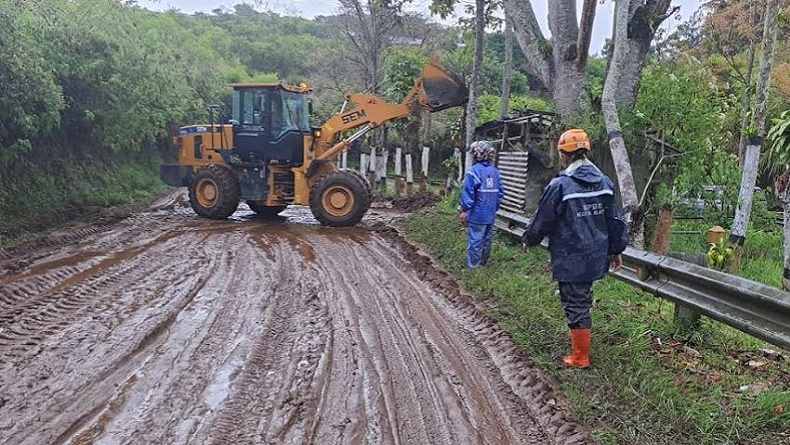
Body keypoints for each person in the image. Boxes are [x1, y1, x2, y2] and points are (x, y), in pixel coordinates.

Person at [521, 129, 628, 368]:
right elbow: (616, 220)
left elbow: (543, 218)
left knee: (576, 303)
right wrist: (616, 249)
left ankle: (580, 357)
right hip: (596, 254)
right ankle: (581, 347)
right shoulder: (605, 183)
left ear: (564, 155)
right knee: (581, 298)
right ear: (586, 152)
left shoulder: (561, 185)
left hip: (571, 256)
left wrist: (530, 238)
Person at [460, 140, 504, 269]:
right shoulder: (495, 172)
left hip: (477, 214)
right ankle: (484, 263)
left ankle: (474, 266)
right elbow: (500, 193)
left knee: (476, 239)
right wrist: (494, 207)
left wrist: (464, 210)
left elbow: (468, 193)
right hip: (490, 213)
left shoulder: (473, 172)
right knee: (487, 239)